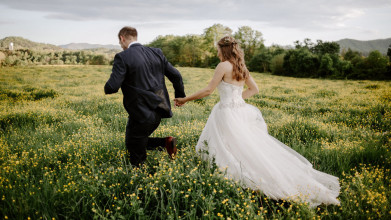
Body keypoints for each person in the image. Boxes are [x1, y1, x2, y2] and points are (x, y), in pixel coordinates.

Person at [174, 36, 340, 207]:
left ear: (223, 50)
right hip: (240, 111)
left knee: (232, 147)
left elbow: (209, 90)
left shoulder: (223, 66)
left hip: (226, 113)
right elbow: (254, 89)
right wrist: (237, 100)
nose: (217, 53)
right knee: (248, 147)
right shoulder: (241, 67)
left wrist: (185, 99)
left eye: (218, 50)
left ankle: (247, 177)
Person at [105, 26, 186, 167]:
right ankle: (166, 142)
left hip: (140, 111)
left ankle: (139, 175)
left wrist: (107, 87)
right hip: (159, 108)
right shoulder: (156, 52)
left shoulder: (122, 57)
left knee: (135, 147)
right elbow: (176, 75)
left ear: (122, 38)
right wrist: (180, 96)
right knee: (135, 140)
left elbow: (112, 87)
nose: (121, 46)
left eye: (120, 43)